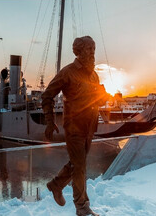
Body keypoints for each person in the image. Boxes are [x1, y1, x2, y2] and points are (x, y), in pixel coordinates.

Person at [41, 36, 109, 216]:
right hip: (74, 128)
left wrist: (103, 96)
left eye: (94, 48)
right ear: (78, 52)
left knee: (77, 164)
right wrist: (49, 121)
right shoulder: (67, 73)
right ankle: (82, 207)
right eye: (89, 49)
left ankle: (56, 185)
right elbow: (47, 96)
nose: (93, 52)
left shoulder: (94, 74)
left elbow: (98, 99)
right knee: (80, 167)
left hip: (89, 128)